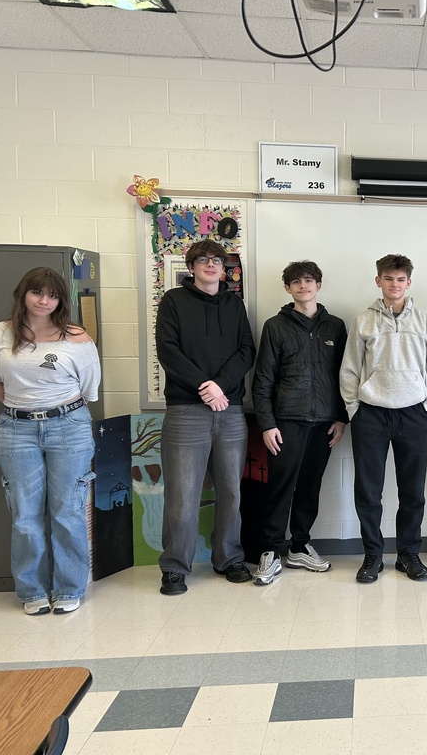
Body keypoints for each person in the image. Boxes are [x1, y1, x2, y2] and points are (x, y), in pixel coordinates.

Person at [0, 267, 101, 615]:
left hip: (69, 427)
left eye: (52, 295)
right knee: (24, 514)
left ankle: (69, 587)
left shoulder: (76, 337)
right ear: (23, 294)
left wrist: (50, 409)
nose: (44, 300)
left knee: (68, 509)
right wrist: (27, 408)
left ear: (60, 300)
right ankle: (31, 590)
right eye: (37, 293)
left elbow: (89, 389)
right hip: (17, 430)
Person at [155, 239, 256, 595]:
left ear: (225, 267)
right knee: (183, 495)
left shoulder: (234, 304)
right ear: (192, 266)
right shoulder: (173, 302)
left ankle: (228, 558)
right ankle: (175, 568)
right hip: (186, 411)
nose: (212, 265)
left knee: (231, 491)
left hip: (229, 411)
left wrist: (221, 387)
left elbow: (247, 351)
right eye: (204, 260)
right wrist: (204, 386)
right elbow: (168, 350)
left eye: (217, 260)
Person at [340, 254, 427, 583]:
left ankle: (408, 554)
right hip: (371, 415)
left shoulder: (425, 320)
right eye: (388, 279)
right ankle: (372, 556)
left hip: (414, 415)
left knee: (412, 491)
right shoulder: (363, 321)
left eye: (400, 279)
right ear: (378, 281)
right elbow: (350, 369)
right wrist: (355, 409)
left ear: (409, 283)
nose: (394, 284)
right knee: (368, 491)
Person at [252, 260, 348, 585]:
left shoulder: (335, 326)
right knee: (281, 488)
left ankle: (299, 545)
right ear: (288, 288)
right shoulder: (275, 326)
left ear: (318, 285)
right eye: (296, 281)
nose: (303, 286)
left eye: (309, 280)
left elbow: (345, 377)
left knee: (310, 487)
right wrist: (267, 424)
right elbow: (263, 379)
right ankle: (270, 551)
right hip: (285, 422)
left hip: (324, 423)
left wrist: (341, 418)